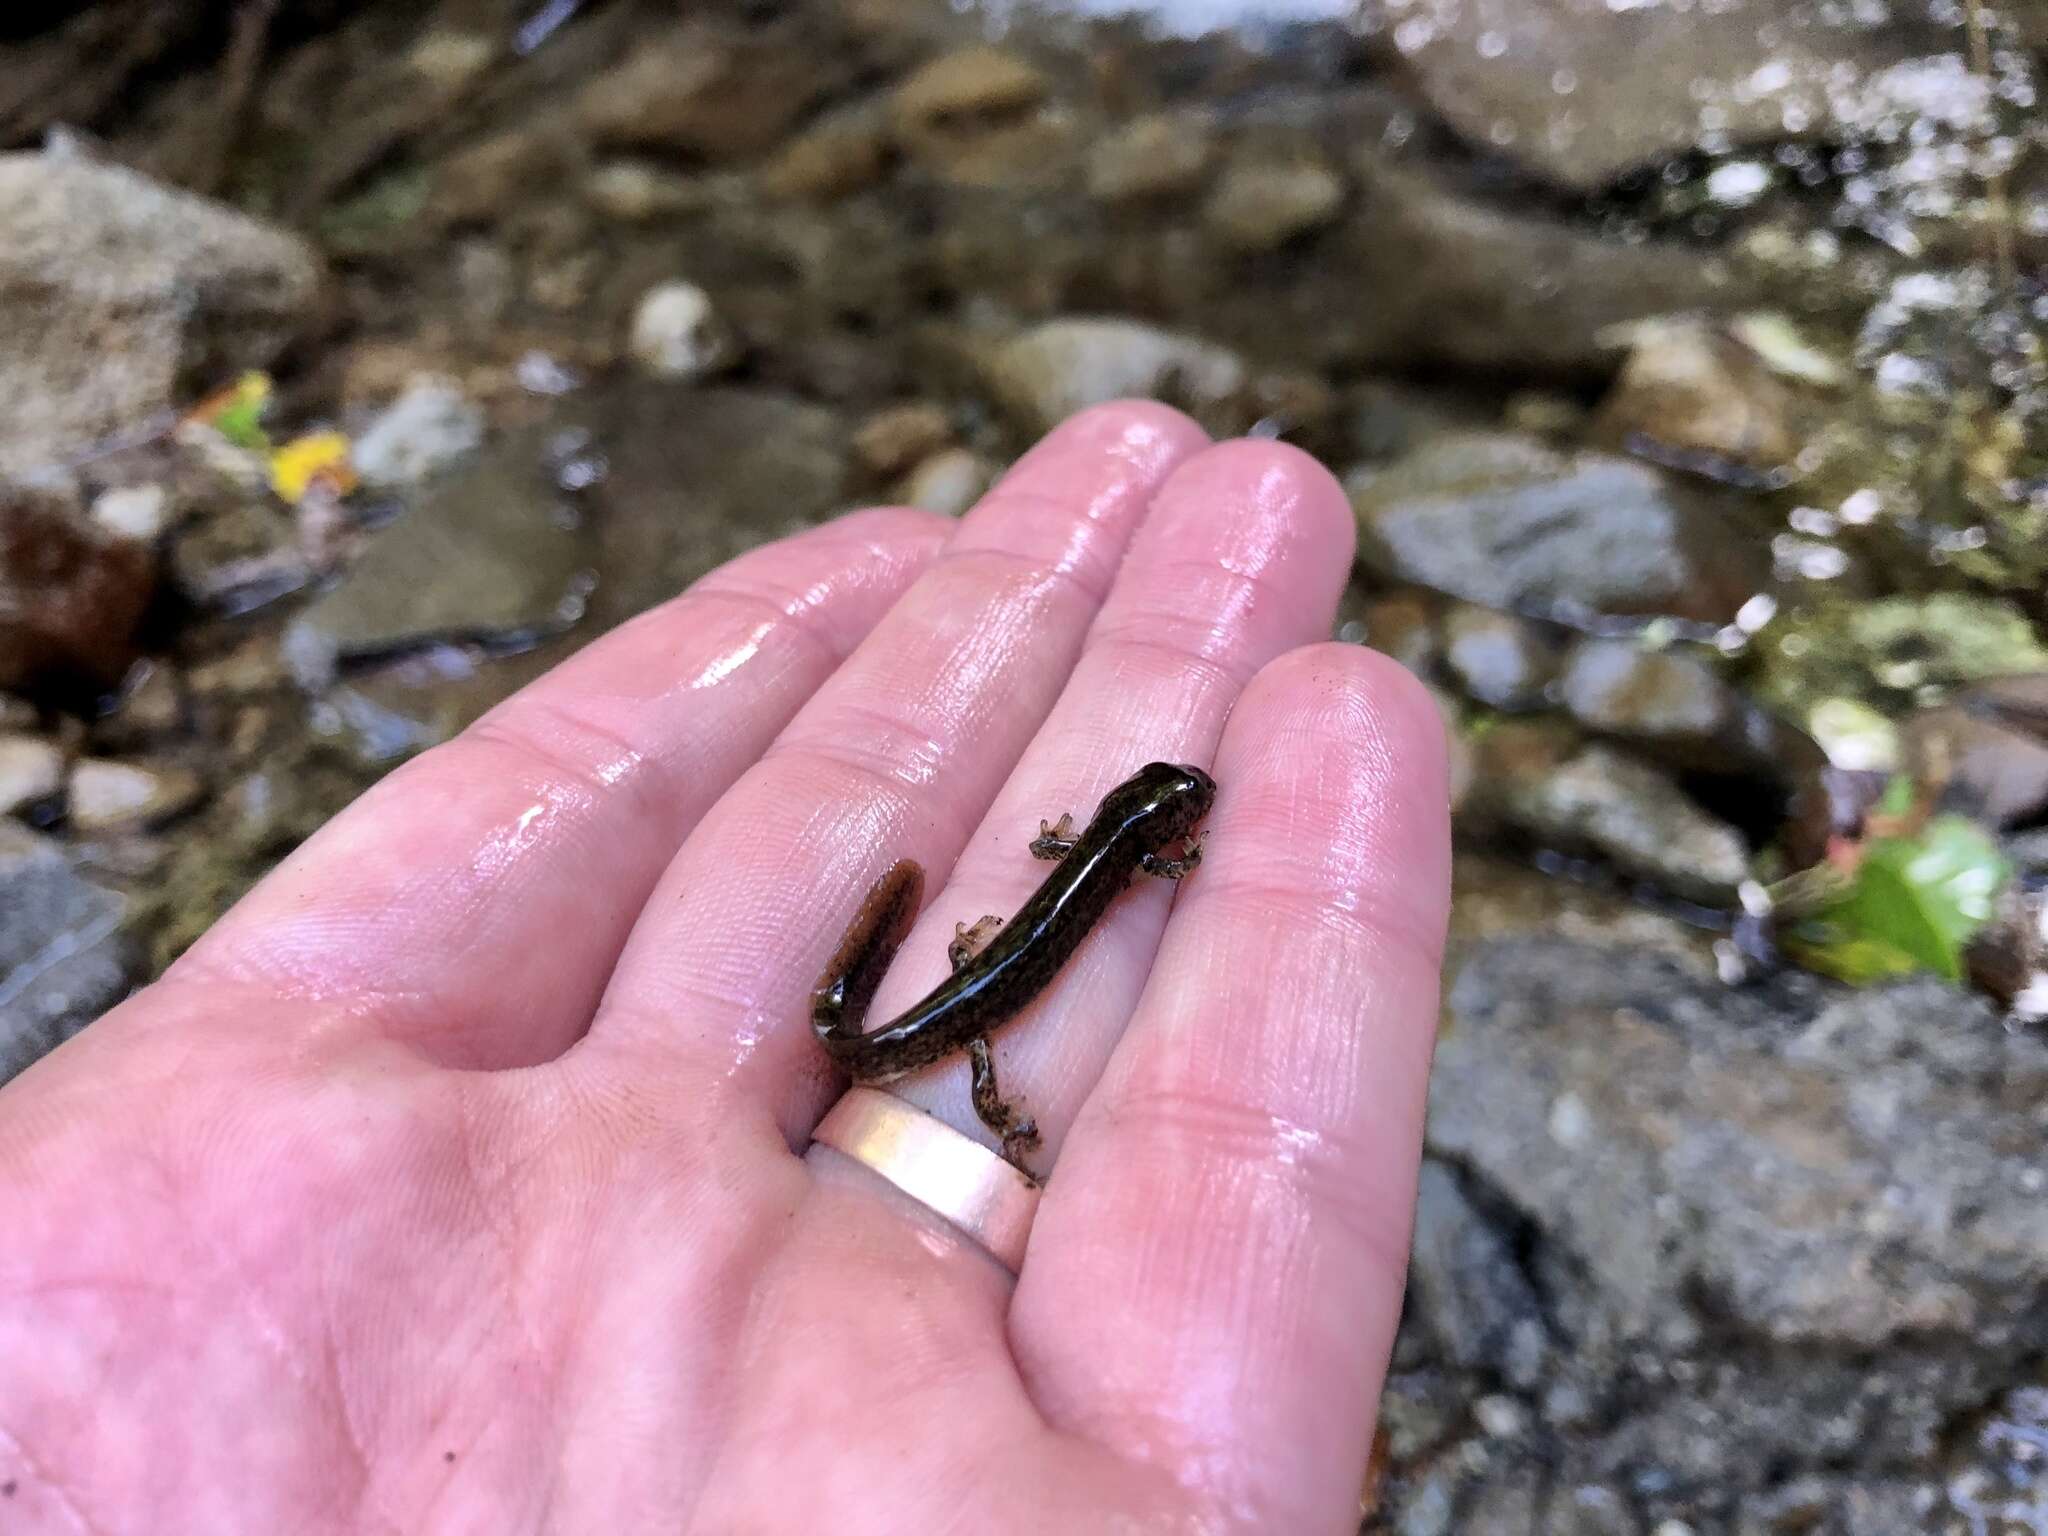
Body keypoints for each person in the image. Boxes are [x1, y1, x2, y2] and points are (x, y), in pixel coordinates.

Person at [0, 403, 1450, 1533]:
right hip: (929, 1032)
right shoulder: (1127, 860)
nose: (1180, 826)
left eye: (1171, 820)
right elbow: (1109, 872)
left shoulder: (1110, 850)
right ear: (1154, 833)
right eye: (1173, 820)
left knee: (938, 1005)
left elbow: (1095, 858)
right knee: (932, 1019)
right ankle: (901, 1028)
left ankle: (895, 1014)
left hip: (935, 1015)